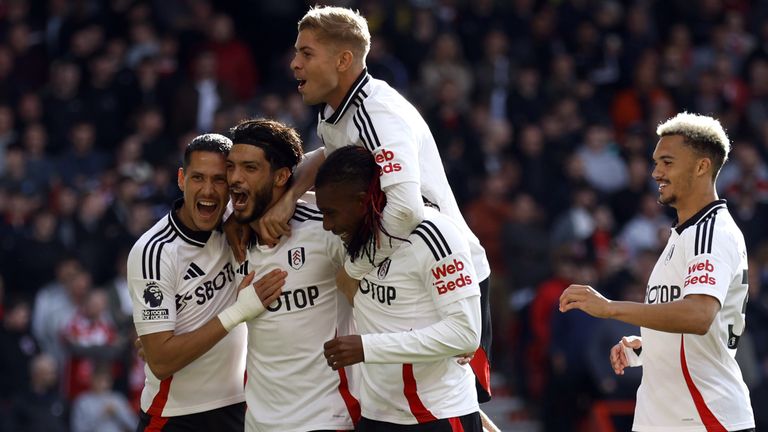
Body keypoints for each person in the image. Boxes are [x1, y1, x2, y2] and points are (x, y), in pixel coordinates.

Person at [255, 5, 492, 402]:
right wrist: (289, 198)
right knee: (398, 402)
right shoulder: (338, 110)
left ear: (343, 59)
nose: (294, 63)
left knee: (445, 403)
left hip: (442, 273)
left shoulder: (377, 113)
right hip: (395, 265)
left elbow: (405, 209)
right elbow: (332, 153)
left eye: (307, 53)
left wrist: (355, 268)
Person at [559, 112, 755, 431]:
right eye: (655, 162)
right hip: (667, 419)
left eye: (667, 162)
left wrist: (610, 308)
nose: (655, 173)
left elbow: (698, 315)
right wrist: (646, 345)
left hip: (704, 420)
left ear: (701, 166)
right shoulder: (685, 234)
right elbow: (699, 324)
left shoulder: (711, 233)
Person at [127, 133, 287, 431]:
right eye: (198, 177)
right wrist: (239, 312)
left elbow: (312, 165)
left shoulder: (240, 219)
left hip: (241, 405)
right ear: (181, 179)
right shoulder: (155, 252)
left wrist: (286, 199)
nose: (208, 190)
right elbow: (160, 362)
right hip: (176, 414)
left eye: (219, 179)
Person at [316, 146, 482, 431]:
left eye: (331, 213)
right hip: (376, 416)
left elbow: (465, 334)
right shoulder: (353, 236)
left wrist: (368, 346)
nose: (327, 225)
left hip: (436, 415)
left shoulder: (433, 235)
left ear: (361, 202)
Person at [226, 118, 358, 431]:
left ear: (283, 176)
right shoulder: (228, 233)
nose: (235, 178)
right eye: (231, 167)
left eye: (250, 168)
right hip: (258, 422)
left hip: (327, 418)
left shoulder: (326, 226)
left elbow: (345, 147)